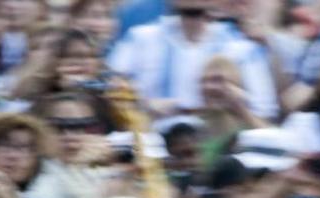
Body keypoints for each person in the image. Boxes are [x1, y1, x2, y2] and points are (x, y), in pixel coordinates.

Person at [108, 0, 278, 120]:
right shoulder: (140, 38)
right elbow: (110, 87)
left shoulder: (241, 47)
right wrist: (143, 105)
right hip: (151, 141)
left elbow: (264, 111)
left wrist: (236, 104)